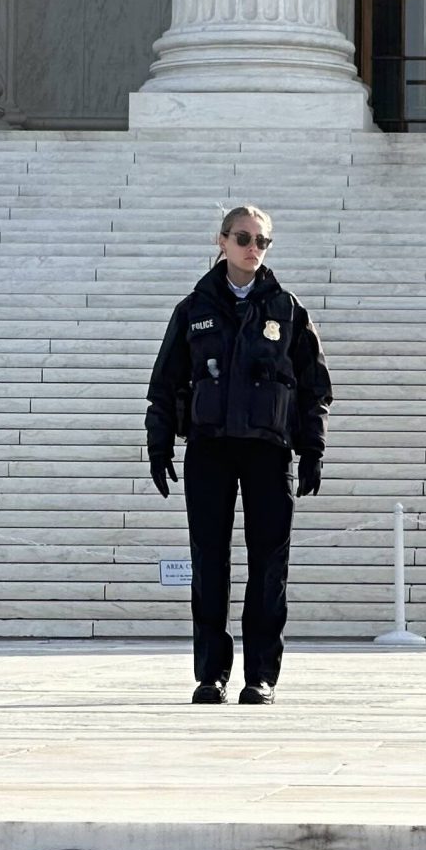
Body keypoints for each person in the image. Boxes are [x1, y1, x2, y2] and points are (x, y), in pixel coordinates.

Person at [143, 204, 331, 705]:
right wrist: (159, 444)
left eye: (262, 241)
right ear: (221, 241)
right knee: (210, 565)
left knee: (269, 566)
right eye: (243, 238)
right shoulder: (193, 309)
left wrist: (312, 448)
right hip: (210, 450)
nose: (253, 249)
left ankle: (261, 676)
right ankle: (211, 675)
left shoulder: (287, 309)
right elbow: (164, 384)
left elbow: (315, 387)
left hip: (269, 453)